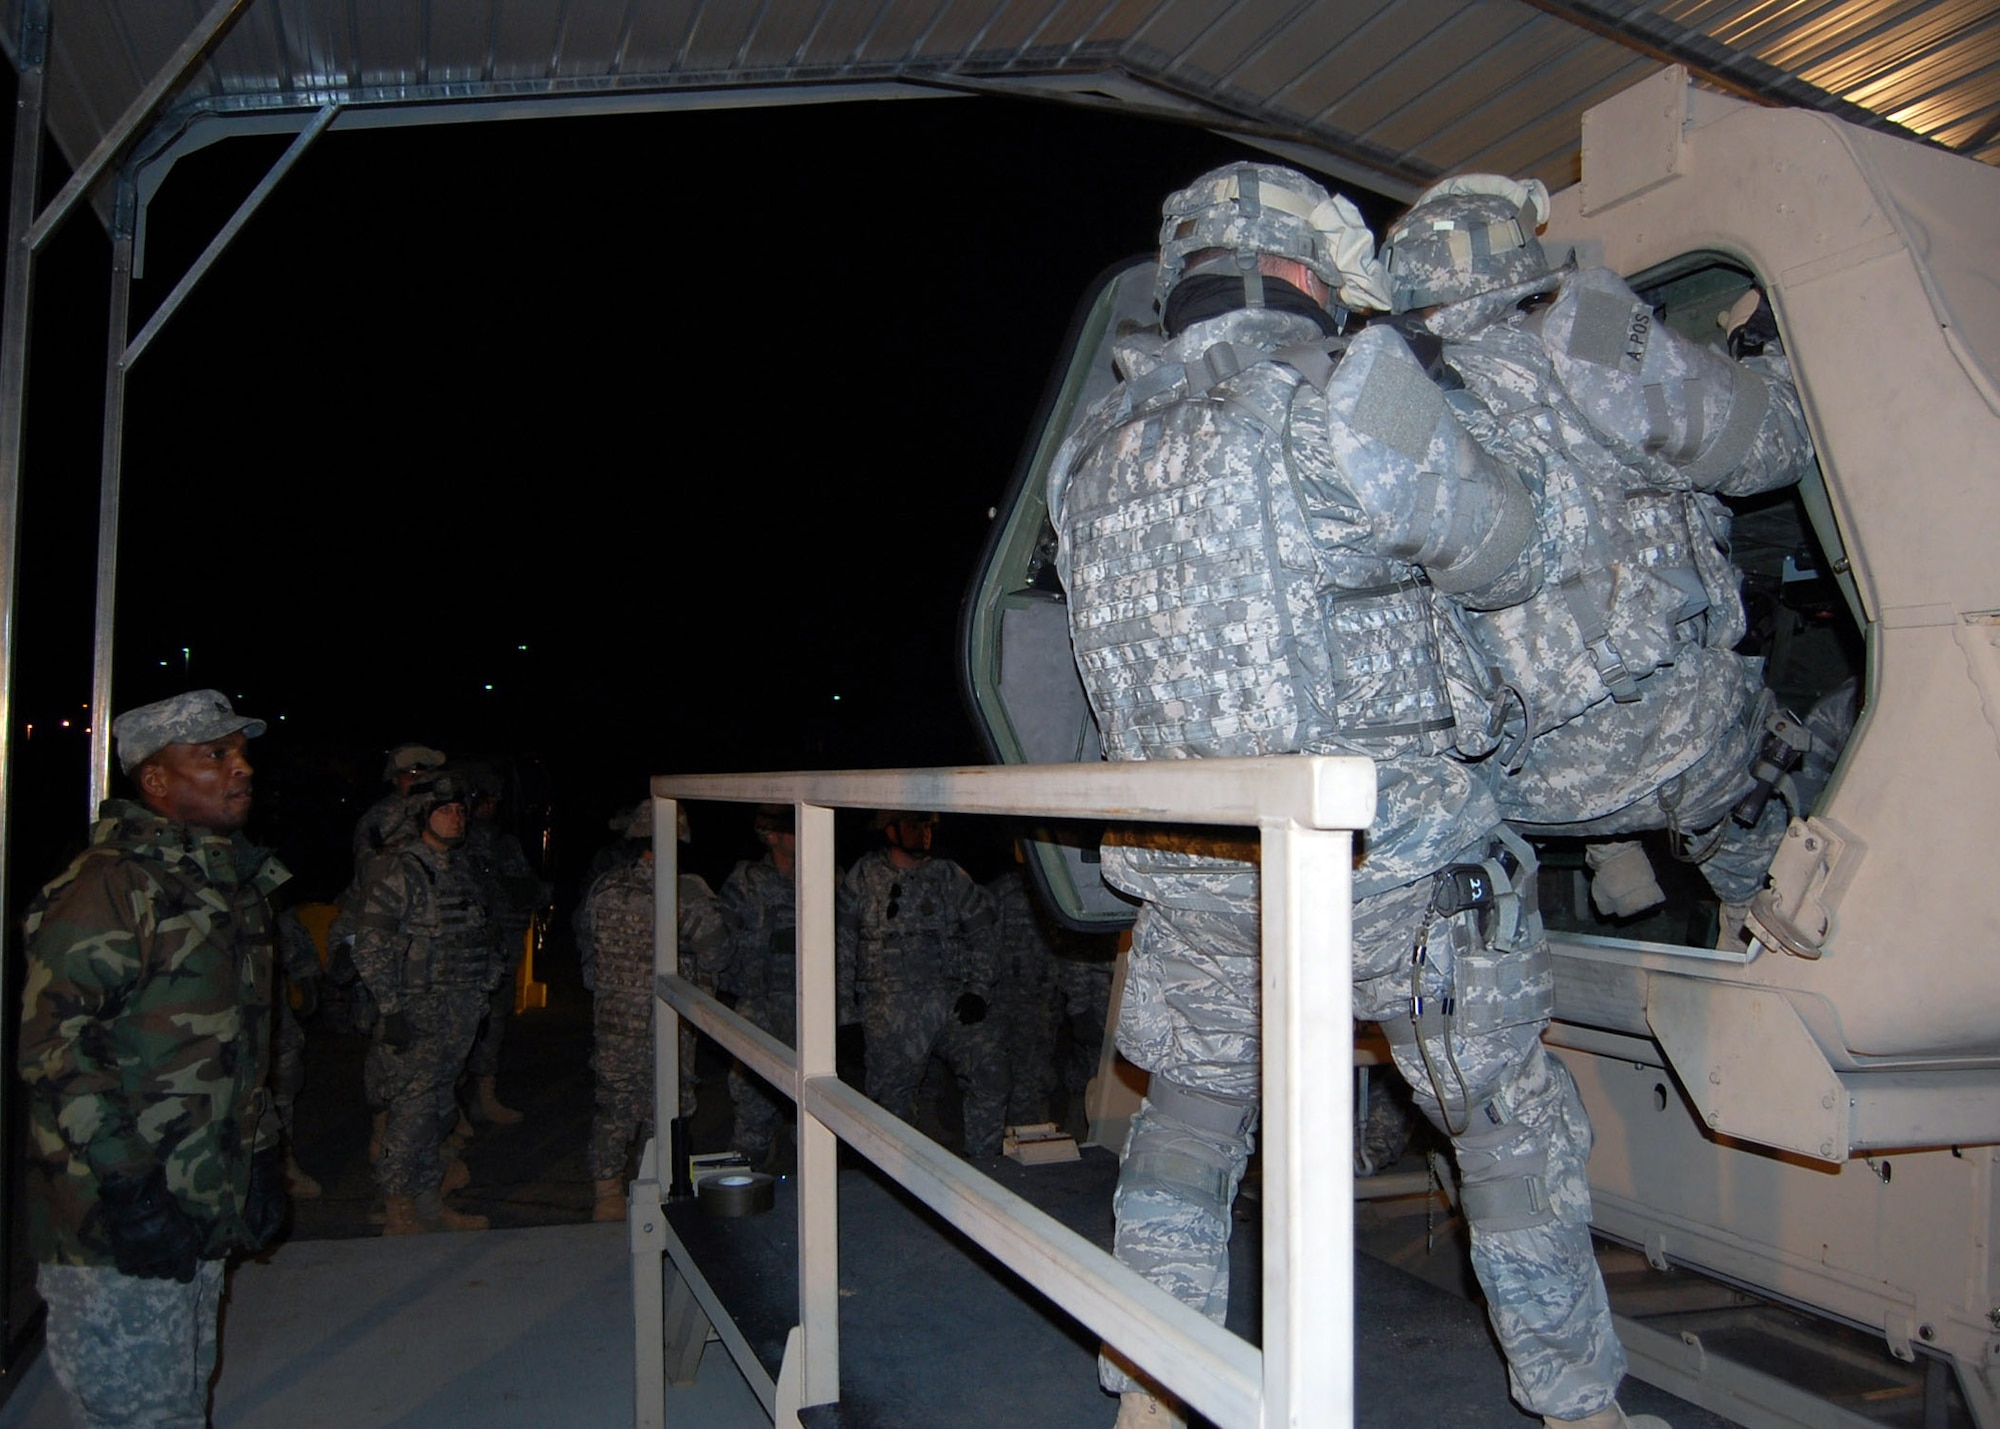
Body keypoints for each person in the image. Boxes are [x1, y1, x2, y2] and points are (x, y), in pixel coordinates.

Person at [1050, 162, 1661, 1429]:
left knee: (1187, 1129)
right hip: (1384, 870)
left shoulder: (1094, 443)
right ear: (1311, 264)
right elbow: (1516, 554)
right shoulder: (1342, 392)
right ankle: (1576, 1408)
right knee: (1503, 1131)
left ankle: (1151, 1388)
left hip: (1196, 874)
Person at [1376, 175, 1820, 925]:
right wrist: (1757, 352)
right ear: (1519, 259)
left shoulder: (1391, 407)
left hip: (1517, 789)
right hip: (1684, 746)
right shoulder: (1590, 334)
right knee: (1791, 857)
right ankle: (1749, 906)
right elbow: (1776, 448)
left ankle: (1615, 853)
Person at [19, 689, 289, 1428]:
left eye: (241, 753)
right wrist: (129, 1186)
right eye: (215, 754)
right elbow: (54, 1047)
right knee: (136, 1415)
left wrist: (260, 1151)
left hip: (199, 1199)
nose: (241, 768)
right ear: (157, 779)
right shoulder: (109, 886)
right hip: (116, 1218)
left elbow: (241, 1044)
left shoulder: (221, 885)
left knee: (179, 1398)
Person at [351, 770, 495, 1235]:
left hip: (457, 1011)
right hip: (416, 1014)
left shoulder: (459, 870)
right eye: (444, 810)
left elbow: (481, 934)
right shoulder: (402, 870)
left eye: (459, 810)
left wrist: (483, 987)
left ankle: (430, 1203)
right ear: (422, 817)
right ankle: (397, 1206)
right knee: (410, 1115)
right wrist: (390, 1010)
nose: (455, 818)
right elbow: (370, 946)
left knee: (439, 1112)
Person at [579, 800, 727, 1221]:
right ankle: (654, 1187)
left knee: (615, 1104)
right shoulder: (686, 892)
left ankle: (606, 1193)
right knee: (668, 1105)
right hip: (670, 1019)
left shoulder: (605, 888)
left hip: (615, 1019)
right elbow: (718, 953)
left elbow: (588, 956)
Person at [836, 811, 1007, 1158]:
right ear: (890, 830)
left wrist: (977, 990)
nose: (924, 834)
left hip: (948, 1003)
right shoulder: (863, 877)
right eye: (915, 826)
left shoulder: (948, 875)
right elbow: (840, 948)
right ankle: (896, 1174)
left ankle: (985, 1165)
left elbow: (983, 934)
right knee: (891, 1103)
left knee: (992, 1070)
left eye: (928, 826)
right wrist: (845, 1016)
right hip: (888, 1008)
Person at [459, 764, 550, 1126]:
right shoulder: (457, 844)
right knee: (461, 1026)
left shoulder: (506, 843)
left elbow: (528, 886)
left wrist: (532, 893)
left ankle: (484, 1095)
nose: (490, 806)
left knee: (495, 1022)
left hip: (504, 949)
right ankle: (452, 1106)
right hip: (466, 954)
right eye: (483, 799)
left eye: (495, 800)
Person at [717, 804, 800, 1169]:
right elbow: (721, 940)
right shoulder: (746, 882)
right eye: (792, 829)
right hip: (759, 1007)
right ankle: (744, 1181)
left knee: (811, 1109)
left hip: (808, 1009)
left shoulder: (827, 878)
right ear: (772, 836)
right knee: (753, 1104)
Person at [350, 741, 446, 862]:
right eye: (412, 775)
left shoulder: (441, 807)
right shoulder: (378, 815)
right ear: (395, 779)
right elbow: (365, 861)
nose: (419, 781)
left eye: (426, 775)